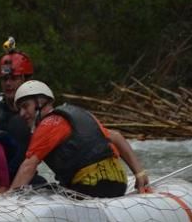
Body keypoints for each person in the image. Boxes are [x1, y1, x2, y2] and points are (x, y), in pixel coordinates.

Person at [8, 80, 150, 197]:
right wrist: (139, 173)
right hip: (118, 184)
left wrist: (9, 198)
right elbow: (116, 137)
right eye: (20, 109)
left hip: (91, 186)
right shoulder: (77, 115)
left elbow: (28, 166)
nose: (22, 113)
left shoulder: (48, 124)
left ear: (40, 102)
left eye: (25, 106)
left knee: (40, 191)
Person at [0, 37, 44, 188]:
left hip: (25, 178)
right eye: (4, 79)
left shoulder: (39, 109)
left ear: (26, 79)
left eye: (13, 78)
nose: (8, 83)